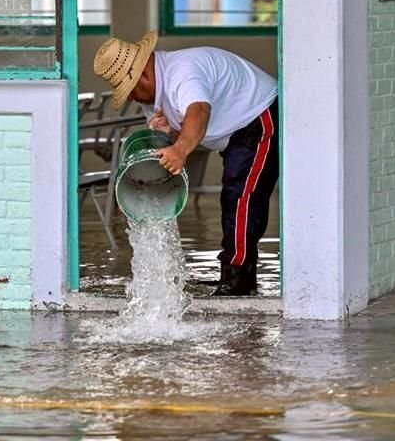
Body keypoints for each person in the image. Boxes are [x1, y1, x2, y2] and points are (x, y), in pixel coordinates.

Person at [93, 31, 279, 296]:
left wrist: (180, 149)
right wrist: (169, 134)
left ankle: (235, 278)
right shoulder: (152, 96)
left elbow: (199, 111)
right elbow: (184, 130)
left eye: (130, 90)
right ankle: (239, 276)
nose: (132, 99)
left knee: (241, 197)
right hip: (234, 133)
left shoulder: (183, 71)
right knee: (238, 197)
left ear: (143, 74)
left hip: (259, 115)